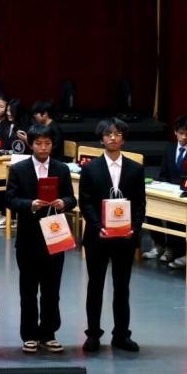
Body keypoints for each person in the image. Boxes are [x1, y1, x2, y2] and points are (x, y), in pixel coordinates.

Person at [5, 123, 76, 354]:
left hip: (55, 236)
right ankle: (29, 335)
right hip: (28, 237)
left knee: (51, 289)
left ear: (52, 145)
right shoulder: (19, 169)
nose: (43, 147)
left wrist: (64, 202)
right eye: (38, 143)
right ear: (30, 144)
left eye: (47, 143)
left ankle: (49, 333)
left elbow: (71, 198)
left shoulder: (61, 169)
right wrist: (30, 204)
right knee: (28, 289)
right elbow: (9, 199)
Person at [79, 118, 146, 353]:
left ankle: (121, 335)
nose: (113, 138)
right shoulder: (90, 168)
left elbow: (140, 203)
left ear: (123, 139)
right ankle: (93, 334)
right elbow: (85, 202)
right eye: (108, 134)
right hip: (98, 236)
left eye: (117, 134)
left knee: (122, 287)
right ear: (102, 139)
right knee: (95, 286)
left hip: (125, 238)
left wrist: (134, 228)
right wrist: (98, 226)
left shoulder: (135, 169)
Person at [147, 114, 187, 270]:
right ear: (175, 132)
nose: (184, 137)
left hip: (186, 194)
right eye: (181, 133)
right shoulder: (169, 149)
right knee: (150, 208)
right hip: (169, 191)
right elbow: (163, 173)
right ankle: (160, 244)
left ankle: (174, 250)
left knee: (177, 219)